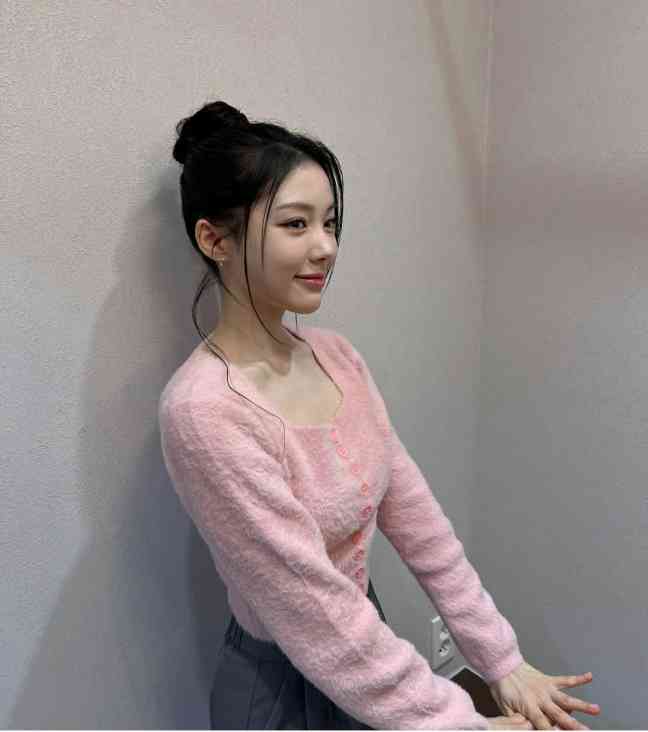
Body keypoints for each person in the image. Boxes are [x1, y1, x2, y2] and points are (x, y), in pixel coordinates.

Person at [157, 100, 601, 730]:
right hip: (281, 693)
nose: (326, 247)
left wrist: (500, 659)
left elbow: (417, 519)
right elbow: (313, 609)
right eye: (295, 224)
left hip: (371, 659)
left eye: (330, 223)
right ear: (215, 239)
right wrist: (462, 725)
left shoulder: (338, 358)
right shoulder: (203, 412)